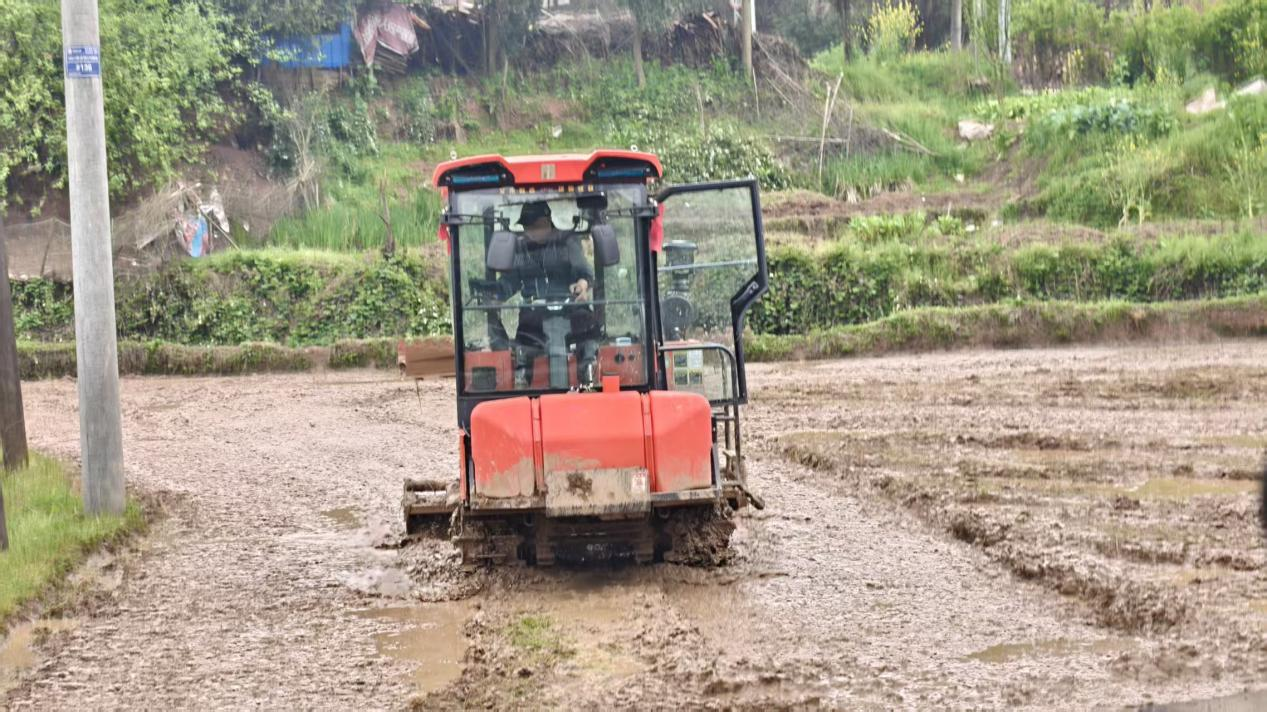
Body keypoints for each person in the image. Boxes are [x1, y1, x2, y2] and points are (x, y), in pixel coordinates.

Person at [494, 201, 600, 387]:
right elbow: (510, 281)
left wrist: (582, 285)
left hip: (569, 307)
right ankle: (522, 380)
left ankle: (588, 371)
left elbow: (585, 272)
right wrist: (496, 294)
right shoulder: (520, 248)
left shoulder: (567, 241)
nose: (530, 231)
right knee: (523, 336)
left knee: (588, 323)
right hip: (534, 312)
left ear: (546, 221)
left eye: (534, 226)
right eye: (527, 227)